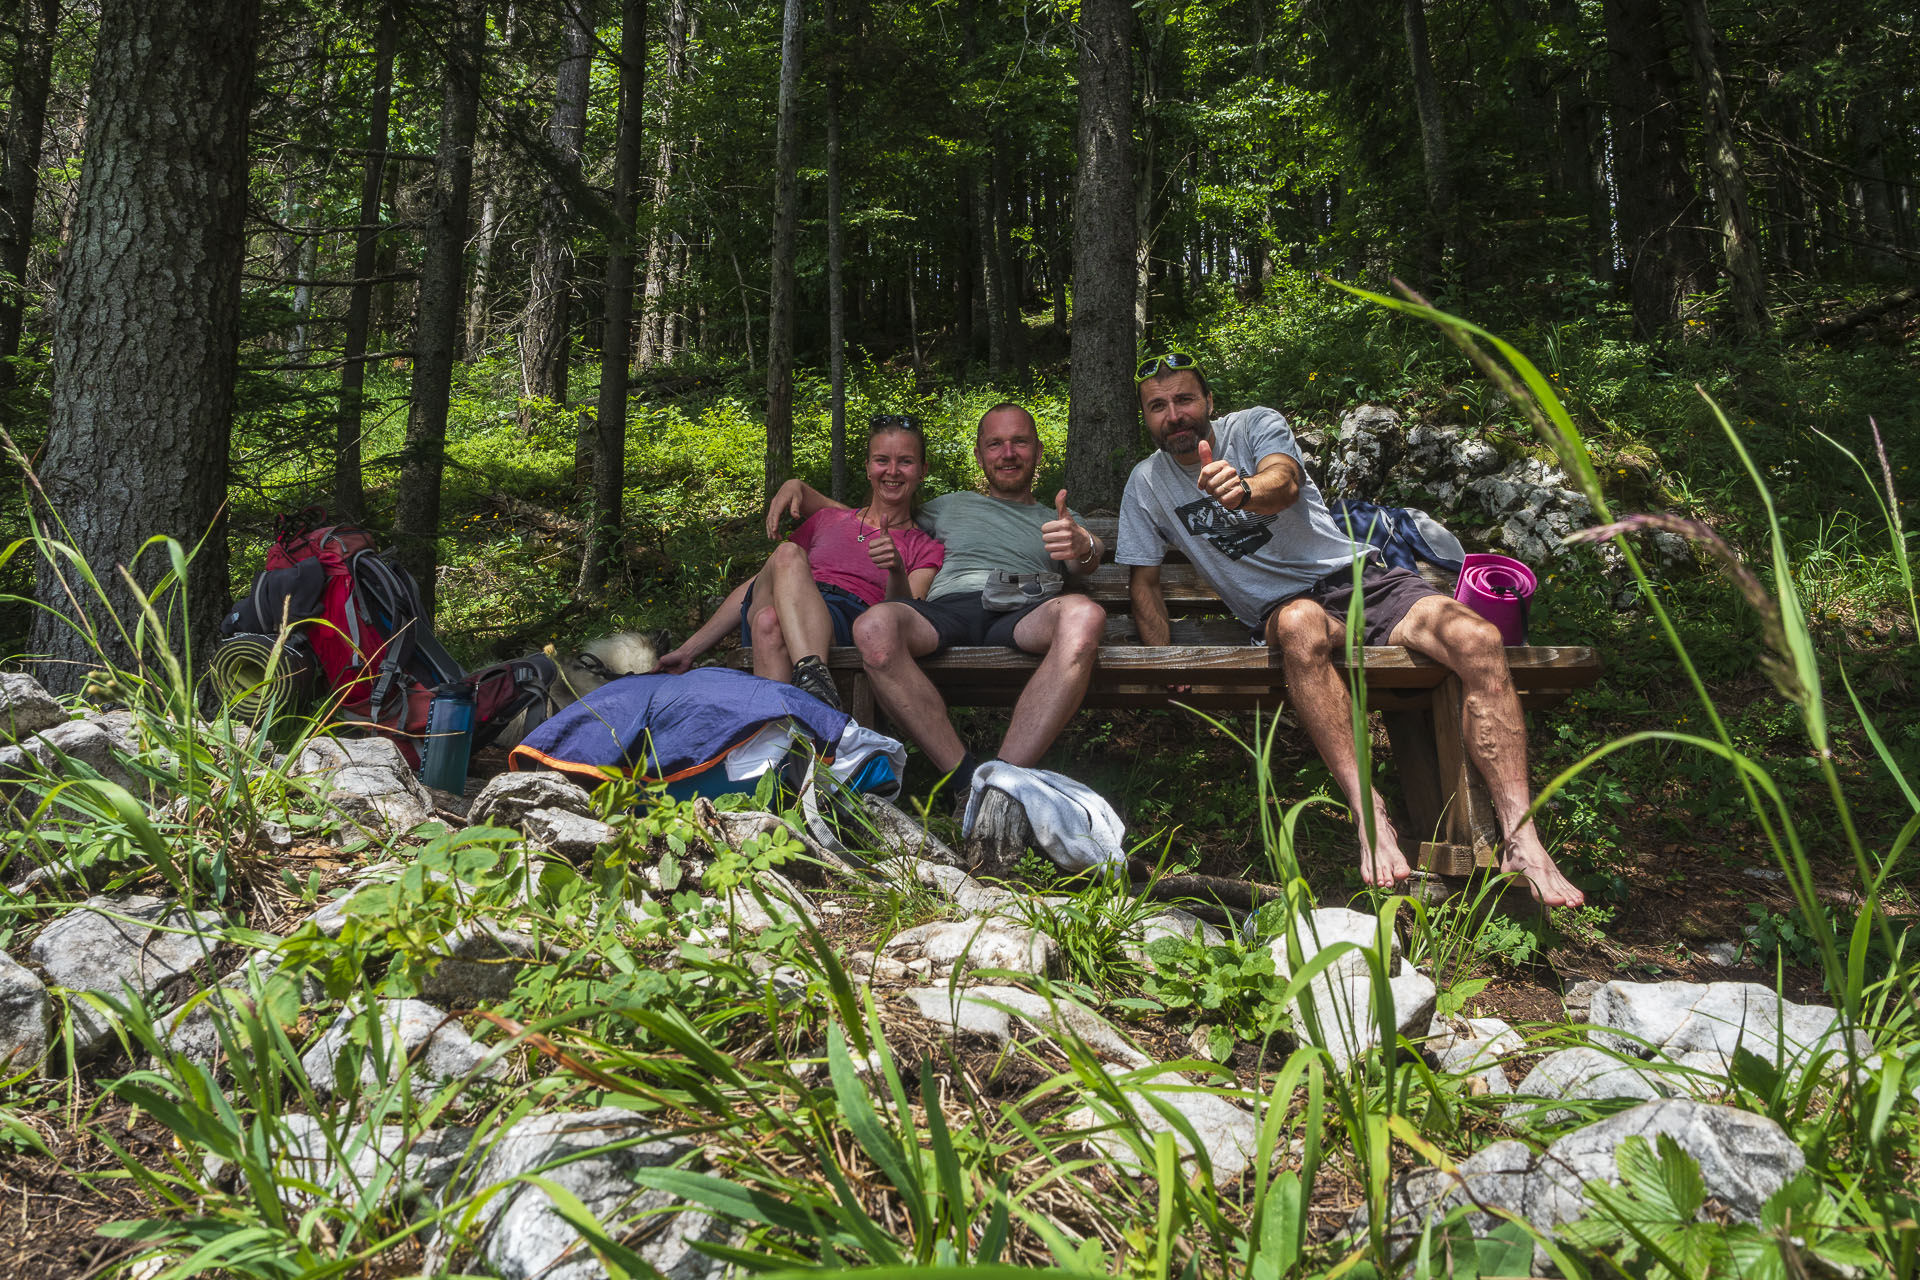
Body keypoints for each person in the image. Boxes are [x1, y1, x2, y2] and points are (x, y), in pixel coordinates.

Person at [1118, 352, 1585, 907]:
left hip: (1363, 580)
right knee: (1297, 626)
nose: (1175, 415)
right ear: (1146, 418)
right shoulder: (1146, 484)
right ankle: (1372, 818)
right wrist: (1164, 661)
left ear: (1210, 402)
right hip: (1284, 609)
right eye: (1158, 406)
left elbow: (1284, 482)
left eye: (1185, 399)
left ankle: (1521, 838)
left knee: (1478, 640)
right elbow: (1143, 582)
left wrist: (1242, 489)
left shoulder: (1253, 425)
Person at [777, 403, 1109, 813]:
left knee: (1086, 615)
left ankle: (1001, 786)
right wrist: (801, 491)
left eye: (1019, 442)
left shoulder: (1056, 517)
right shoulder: (948, 506)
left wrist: (1084, 545)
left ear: (1038, 451)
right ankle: (966, 782)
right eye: (995, 444)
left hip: (1024, 608)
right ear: (979, 454)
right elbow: (869, 514)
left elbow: (1087, 555)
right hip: (947, 608)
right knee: (873, 628)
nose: (1008, 453)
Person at [655, 415, 944, 711]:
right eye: (882, 460)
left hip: (846, 620)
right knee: (786, 555)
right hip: (793, 594)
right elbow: (754, 586)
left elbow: (907, 616)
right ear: (868, 467)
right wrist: (689, 650)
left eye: (905, 462)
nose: (892, 471)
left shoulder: (924, 546)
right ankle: (815, 683)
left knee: (769, 621)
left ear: (922, 471)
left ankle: (775, 742)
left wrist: (896, 568)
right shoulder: (828, 519)